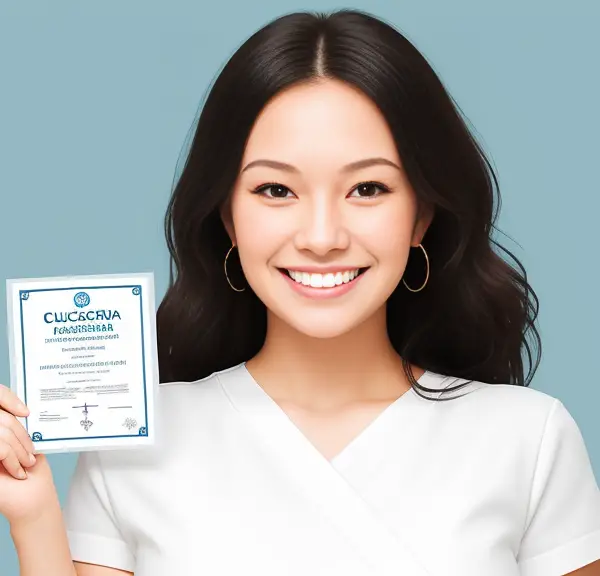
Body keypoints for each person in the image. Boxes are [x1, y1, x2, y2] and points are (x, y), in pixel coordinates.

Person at [1, 8, 599, 576]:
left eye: (367, 188)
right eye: (275, 191)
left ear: (422, 215)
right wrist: (33, 518)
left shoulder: (530, 438)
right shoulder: (135, 445)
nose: (321, 238)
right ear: (227, 217)